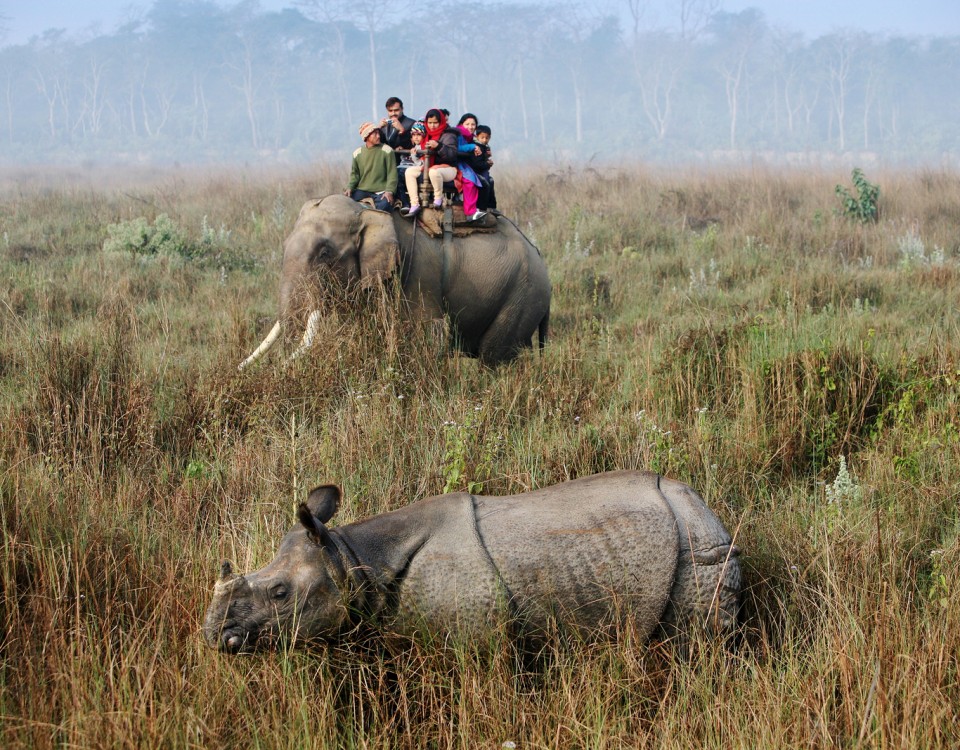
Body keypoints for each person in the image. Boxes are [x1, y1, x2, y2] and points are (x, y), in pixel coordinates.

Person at [409, 108, 459, 212]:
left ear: (441, 122)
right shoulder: (426, 134)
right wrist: (416, 151)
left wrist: (439, 146)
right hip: (428, 165)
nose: (432, 126)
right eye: (430, 122)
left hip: (448, 168)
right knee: (409, 172)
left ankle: (438, 198)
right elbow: (420, 147)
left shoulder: (449, 134)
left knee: (433, 172)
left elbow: (452, 155)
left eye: (435, 123)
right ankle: (414, 203)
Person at [344, 121, 397, 212]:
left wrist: (389, 191)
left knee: (384, 206)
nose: (379, 136)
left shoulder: (387, 151)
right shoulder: (357, 153)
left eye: (378, 133)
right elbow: (355, 175)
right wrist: (350, 187)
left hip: (381, 191)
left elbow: (392, 174)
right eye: (375, 134)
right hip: (363, 190)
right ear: (366, 137)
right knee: (345, 204)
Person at [454, 113, 486, 222]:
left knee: (483, 182)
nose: (470, 127)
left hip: (464, 164)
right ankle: (470, 212)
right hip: (456, 163)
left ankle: (480, 209)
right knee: (470, 182)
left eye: (473, 124)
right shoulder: (458, 133)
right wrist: (472, 147)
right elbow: (457, 148)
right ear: (461, 124)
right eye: (467, 124)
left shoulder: (470, 137)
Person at [473, 124, 497, 211]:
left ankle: (491, 206)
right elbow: (477, 164)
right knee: (485, 184)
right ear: (477, 136)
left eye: (487, 138)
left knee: (491, 181)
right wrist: (487, 164)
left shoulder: (485, 147)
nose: (484, 140)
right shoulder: (477, 147)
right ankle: (481, 208)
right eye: (482, 137)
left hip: (483, 171)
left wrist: (487, 159)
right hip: (476, 172)